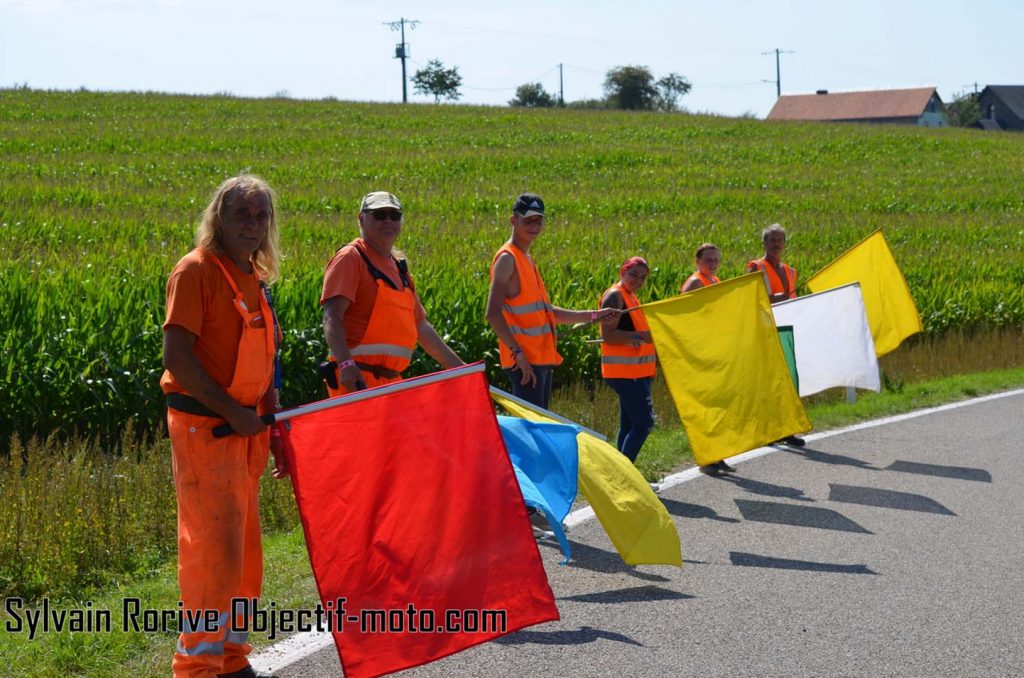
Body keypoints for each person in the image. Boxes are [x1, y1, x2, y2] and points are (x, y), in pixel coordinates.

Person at [161, 174, 286, 678]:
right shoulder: (195, 271)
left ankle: (231, 658)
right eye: (242, 215)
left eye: (261, 217)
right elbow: (177, 356)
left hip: (244, 435)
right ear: (219, 218)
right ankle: (197, 667)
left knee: (242, 555)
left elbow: (266, 361)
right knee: (211, 555)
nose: (253, 226)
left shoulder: (252, 275)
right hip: (206, 430)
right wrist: (233, 413)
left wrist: (272, 428)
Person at [321, 191, 463, 396]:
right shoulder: (351, 258)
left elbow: (420, 326)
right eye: (379, 214)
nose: (388, 220)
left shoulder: (400, 268)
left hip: (392, 384)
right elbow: (332, 316)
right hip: (357, 382)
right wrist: (345, 365)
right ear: (361, 219)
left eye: (394, 215)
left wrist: (460, 369)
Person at [486, 192, 618, 408]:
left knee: (539, 429)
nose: (534, 226)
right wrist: (517, 353)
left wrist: (595, 315)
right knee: (533, 433)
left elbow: (548, 311)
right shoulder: (507, 259)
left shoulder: (526, 258)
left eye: (538, 220)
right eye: (528, 220)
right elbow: (492, 314)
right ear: (513, 220)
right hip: (525, 362)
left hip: (540, 359)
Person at [746, 224, 805, 447]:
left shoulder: (789, 271)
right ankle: (767, 429)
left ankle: (786, 429)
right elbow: (749, 300)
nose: (777, 244)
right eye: (772, 240)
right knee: (767, 383)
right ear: (764, 243)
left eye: (780, 240)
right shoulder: (756, 268)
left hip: (785, 330)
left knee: (786, 381)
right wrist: (774, 300)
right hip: (764, 331)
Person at [599, 256, 656, 464]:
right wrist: (641, 337)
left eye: (642, 277)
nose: (638, 280)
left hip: (635, 371)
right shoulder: (615, 297)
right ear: (622, 272)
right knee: (644, 424)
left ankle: (620, 473)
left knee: (629, 424)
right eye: (634, 274)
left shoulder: (630, 296)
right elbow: (608, 335)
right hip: (625, 372)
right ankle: (625, 476)